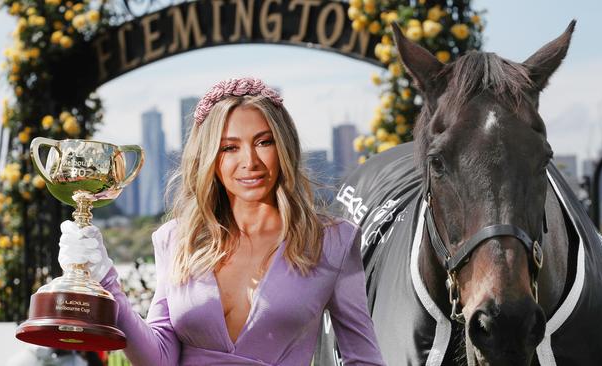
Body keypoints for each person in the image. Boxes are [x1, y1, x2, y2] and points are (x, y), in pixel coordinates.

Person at [58, 77, 385, 365]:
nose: (250, 162)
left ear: (284, 147)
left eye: (263, 142)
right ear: (210, 158)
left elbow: (365, 359)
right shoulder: (176, 239)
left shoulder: (334, 242)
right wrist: (106, 282)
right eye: (230, 147)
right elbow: (160, 359)